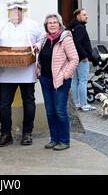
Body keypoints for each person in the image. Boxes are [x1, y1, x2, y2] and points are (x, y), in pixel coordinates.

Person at [0, 0, 44, 147]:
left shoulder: (32, 25)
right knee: (4, 104)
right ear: (10, 11)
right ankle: (5, 133)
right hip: (6, 71)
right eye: (14, 10)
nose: (17, 13)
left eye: (19, 10)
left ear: (23, 11)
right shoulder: (1, 25)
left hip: (27, 70)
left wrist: (38, 45)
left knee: (29, 101)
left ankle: (27, 133)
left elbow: (42, 38)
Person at [36, 13, 79, 151]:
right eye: (50, 23)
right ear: (46, 26)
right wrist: (38, 70)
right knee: (50, 111)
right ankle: (54, 139)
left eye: (55, 22)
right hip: (45, 79)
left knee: (60, 111)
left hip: (60, 81)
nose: (52, 25)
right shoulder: (44, 38)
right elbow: (39, 56)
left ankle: (64, 140)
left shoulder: (65, 38)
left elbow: (74, 59)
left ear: (60, 25)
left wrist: (65, 75)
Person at [68, 8, 96, 112]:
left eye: (86, 14)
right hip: (81, 59)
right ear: (78, 17)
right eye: (84, 15)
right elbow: (77, 43)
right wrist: (84, 55)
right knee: (83, 81)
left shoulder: (73, 27)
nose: (87, 16)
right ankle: (84, 104)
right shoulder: (80, 27)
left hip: (75, 58)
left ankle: (76, 103)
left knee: (75, 81)